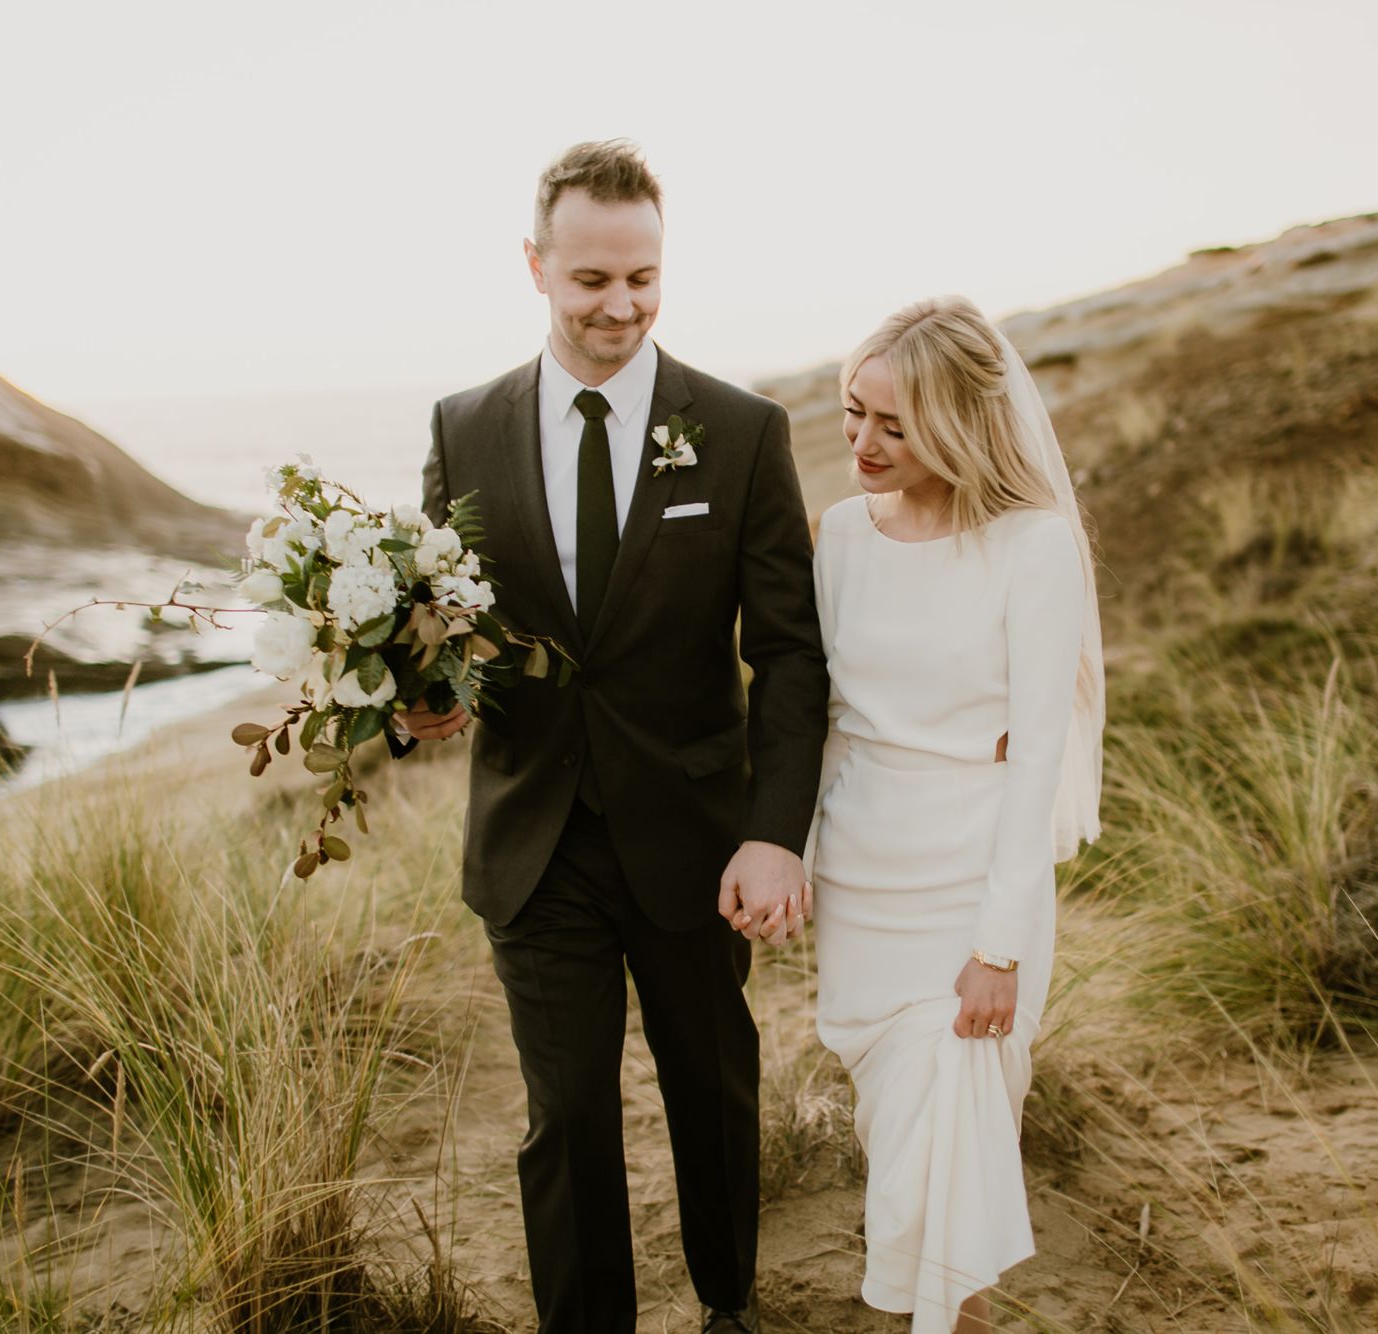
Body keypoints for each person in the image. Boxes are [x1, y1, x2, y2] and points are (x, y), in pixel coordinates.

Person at [391, 140, 828, 1334]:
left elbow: (786, 652)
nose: (619, 305)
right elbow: (439, 621)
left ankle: (728, 1304)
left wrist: (772, 833)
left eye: (641, 277)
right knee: (566, 1115)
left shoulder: (738, 432)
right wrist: (411, 699)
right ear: (534, 266)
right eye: (590, 279)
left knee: (711, 1088)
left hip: (695, 837)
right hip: (533, 839)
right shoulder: (464, 427)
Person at [796, 296, 1104, 1333]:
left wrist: (998, 948)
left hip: (971, 888)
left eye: (894, 424)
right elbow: (825, 719)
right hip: (858, 878)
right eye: (852, 413)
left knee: (955, 1149)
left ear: (960, 423)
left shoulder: (1033, 545)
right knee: (901, 1150)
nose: (862, 443)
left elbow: (1038, 762)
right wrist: (794, 854)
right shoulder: (839, 534)